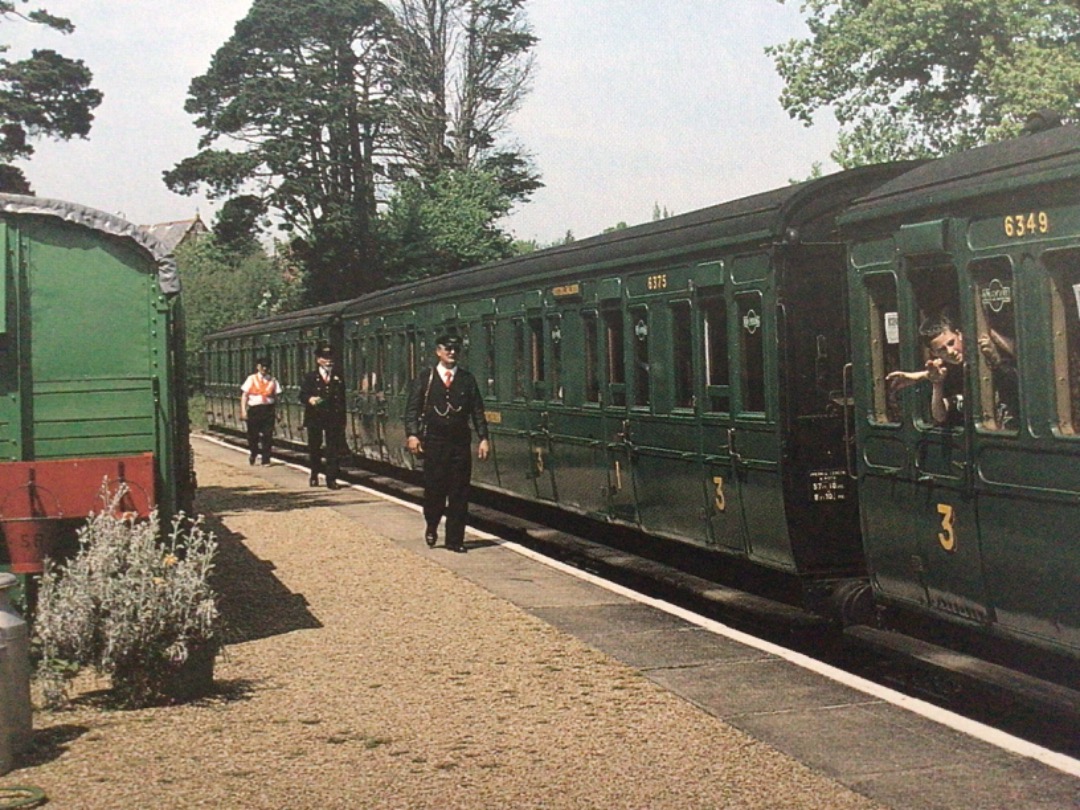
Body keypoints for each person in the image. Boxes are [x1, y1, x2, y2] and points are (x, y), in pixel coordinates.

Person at [404, 335, 490, 552]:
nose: (452, 352)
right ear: (438, 351)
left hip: (460, 443)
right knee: (435, 490)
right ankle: (432, 524)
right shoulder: (426, 378)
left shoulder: (467, 379)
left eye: (456, 349)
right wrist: (413, 435)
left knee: (459, 492)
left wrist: (483, 438)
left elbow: (477, 411)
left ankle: (455, 540)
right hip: (434, 442)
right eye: (448, 348)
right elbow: (412, 410)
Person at [886, 312, 1018, 428]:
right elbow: (940, 416)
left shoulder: (985, 351)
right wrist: (936, 383)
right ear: (934, 352)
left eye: (951, 343)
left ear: (959, 334)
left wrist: (996, 360)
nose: (950, 351)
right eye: (942, 350)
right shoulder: (945, 372)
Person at [299, 342, 347, 489]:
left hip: (333, 418)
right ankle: (314, 473)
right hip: (315, 418)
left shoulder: (338, 378)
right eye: (325, 357)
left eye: (330, 357)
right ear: (318, 360)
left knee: (332, 449)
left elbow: (341, 399)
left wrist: (342, 419)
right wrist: (310, 399)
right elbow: (302, 395)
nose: (329, 360)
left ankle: (331, 479)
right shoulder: (311, 377)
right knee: (315, 448)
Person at [240, 357, 282, 465]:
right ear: (258, 367)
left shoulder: (273, 380)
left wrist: (278, 412)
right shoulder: (251, 379)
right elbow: (245, 395)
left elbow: (277, 397)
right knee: (253, 435)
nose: (265, 369)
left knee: (268, 435)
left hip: (268, 409)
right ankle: (254, 452)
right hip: (254, 410)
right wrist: (243, 411)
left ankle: (266, 459)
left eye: (266, 367)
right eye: (262, 366)